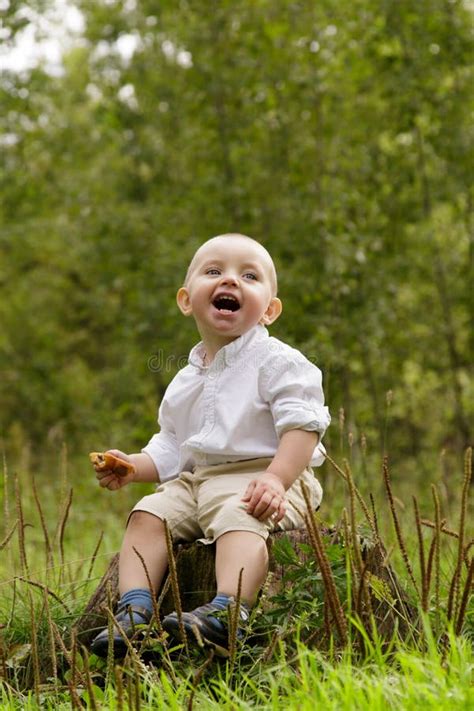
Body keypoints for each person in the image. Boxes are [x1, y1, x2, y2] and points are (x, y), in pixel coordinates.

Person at [89, 233, 330, 658]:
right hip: (198, 480)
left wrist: (276, 478)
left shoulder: (279, 362)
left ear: (270, 310)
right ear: (187, 300)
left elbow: (302, 426)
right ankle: (135, 611)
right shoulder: (186, 377)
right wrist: (136, 467)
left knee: (242, 514)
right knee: (147, 515)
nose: (231, 281)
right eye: (214, 271)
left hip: (267, 475)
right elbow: (172, 444)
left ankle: (227, 611)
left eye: (249, 276)